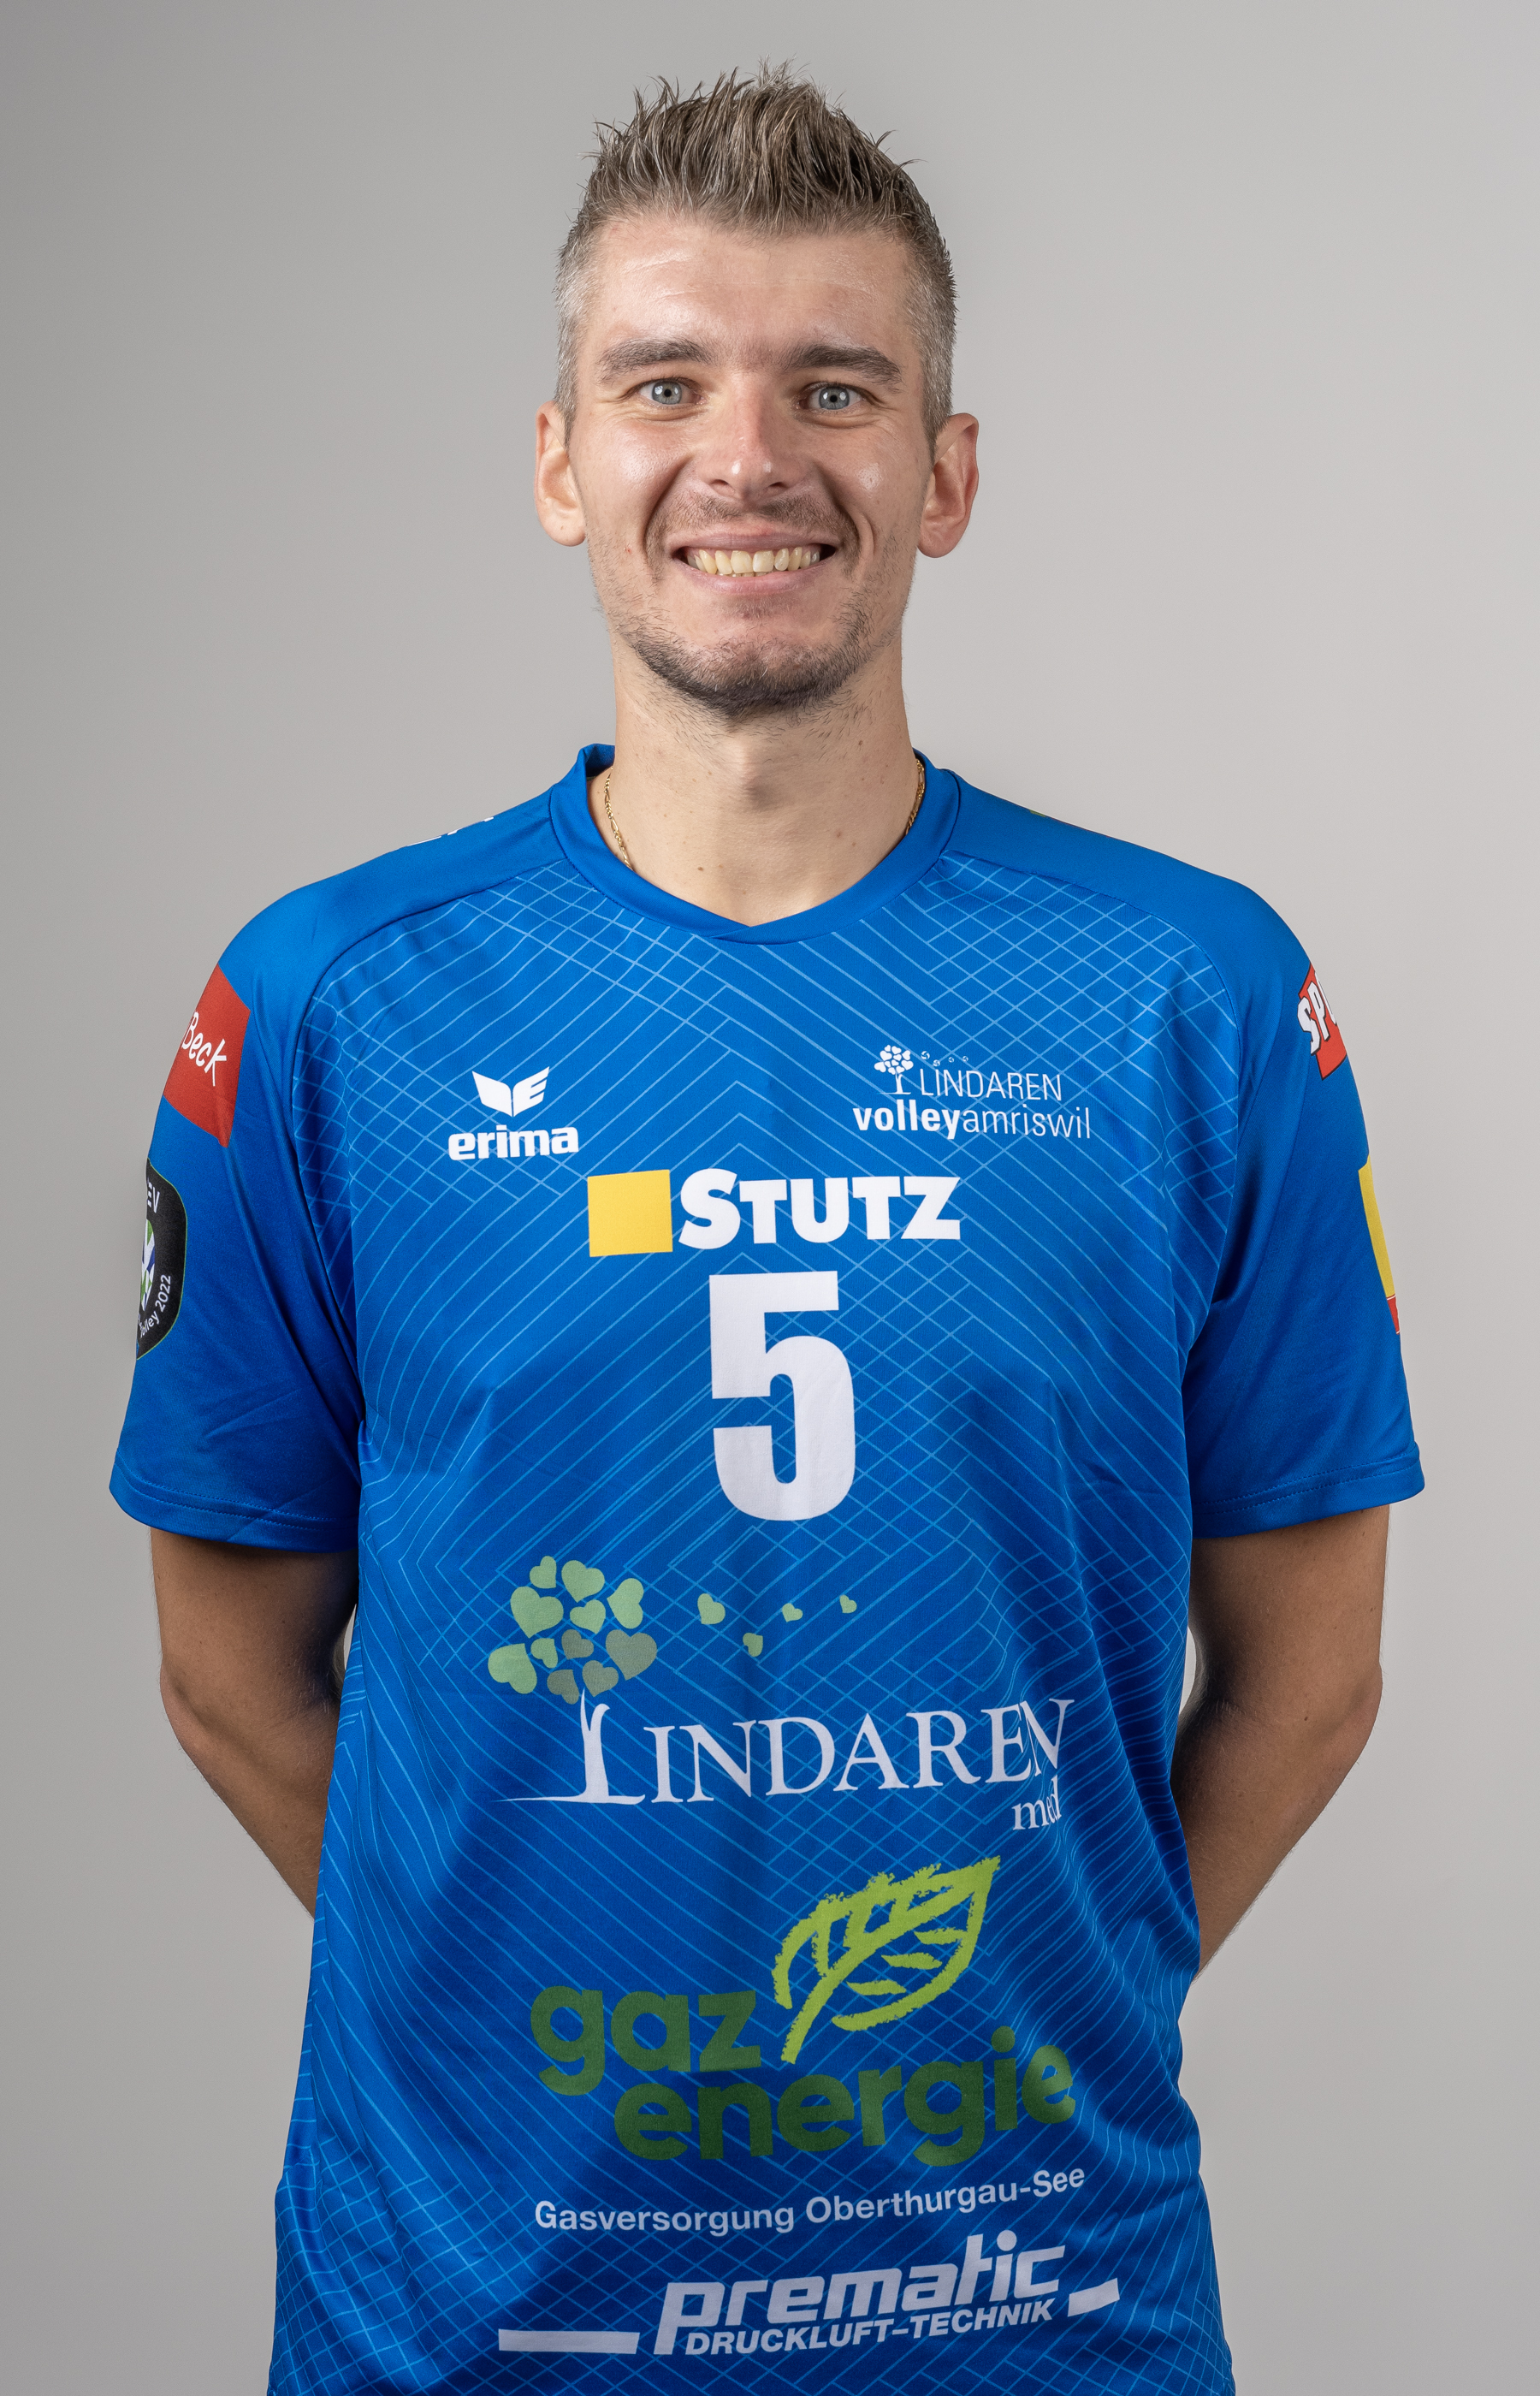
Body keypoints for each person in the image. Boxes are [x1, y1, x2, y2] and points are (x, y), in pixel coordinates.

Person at [112, 68, 1422, 2396]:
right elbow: (228, 1670)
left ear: (947, 472)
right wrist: (499, 1994)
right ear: (558, 463)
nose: (748, 458)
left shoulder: (1193, 995)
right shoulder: (324, 1005)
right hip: (465, 2323)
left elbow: (1310, 1677)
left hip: (1038, 2313)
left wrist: (1067, 1986)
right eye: (664, 387)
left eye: (835, 388)